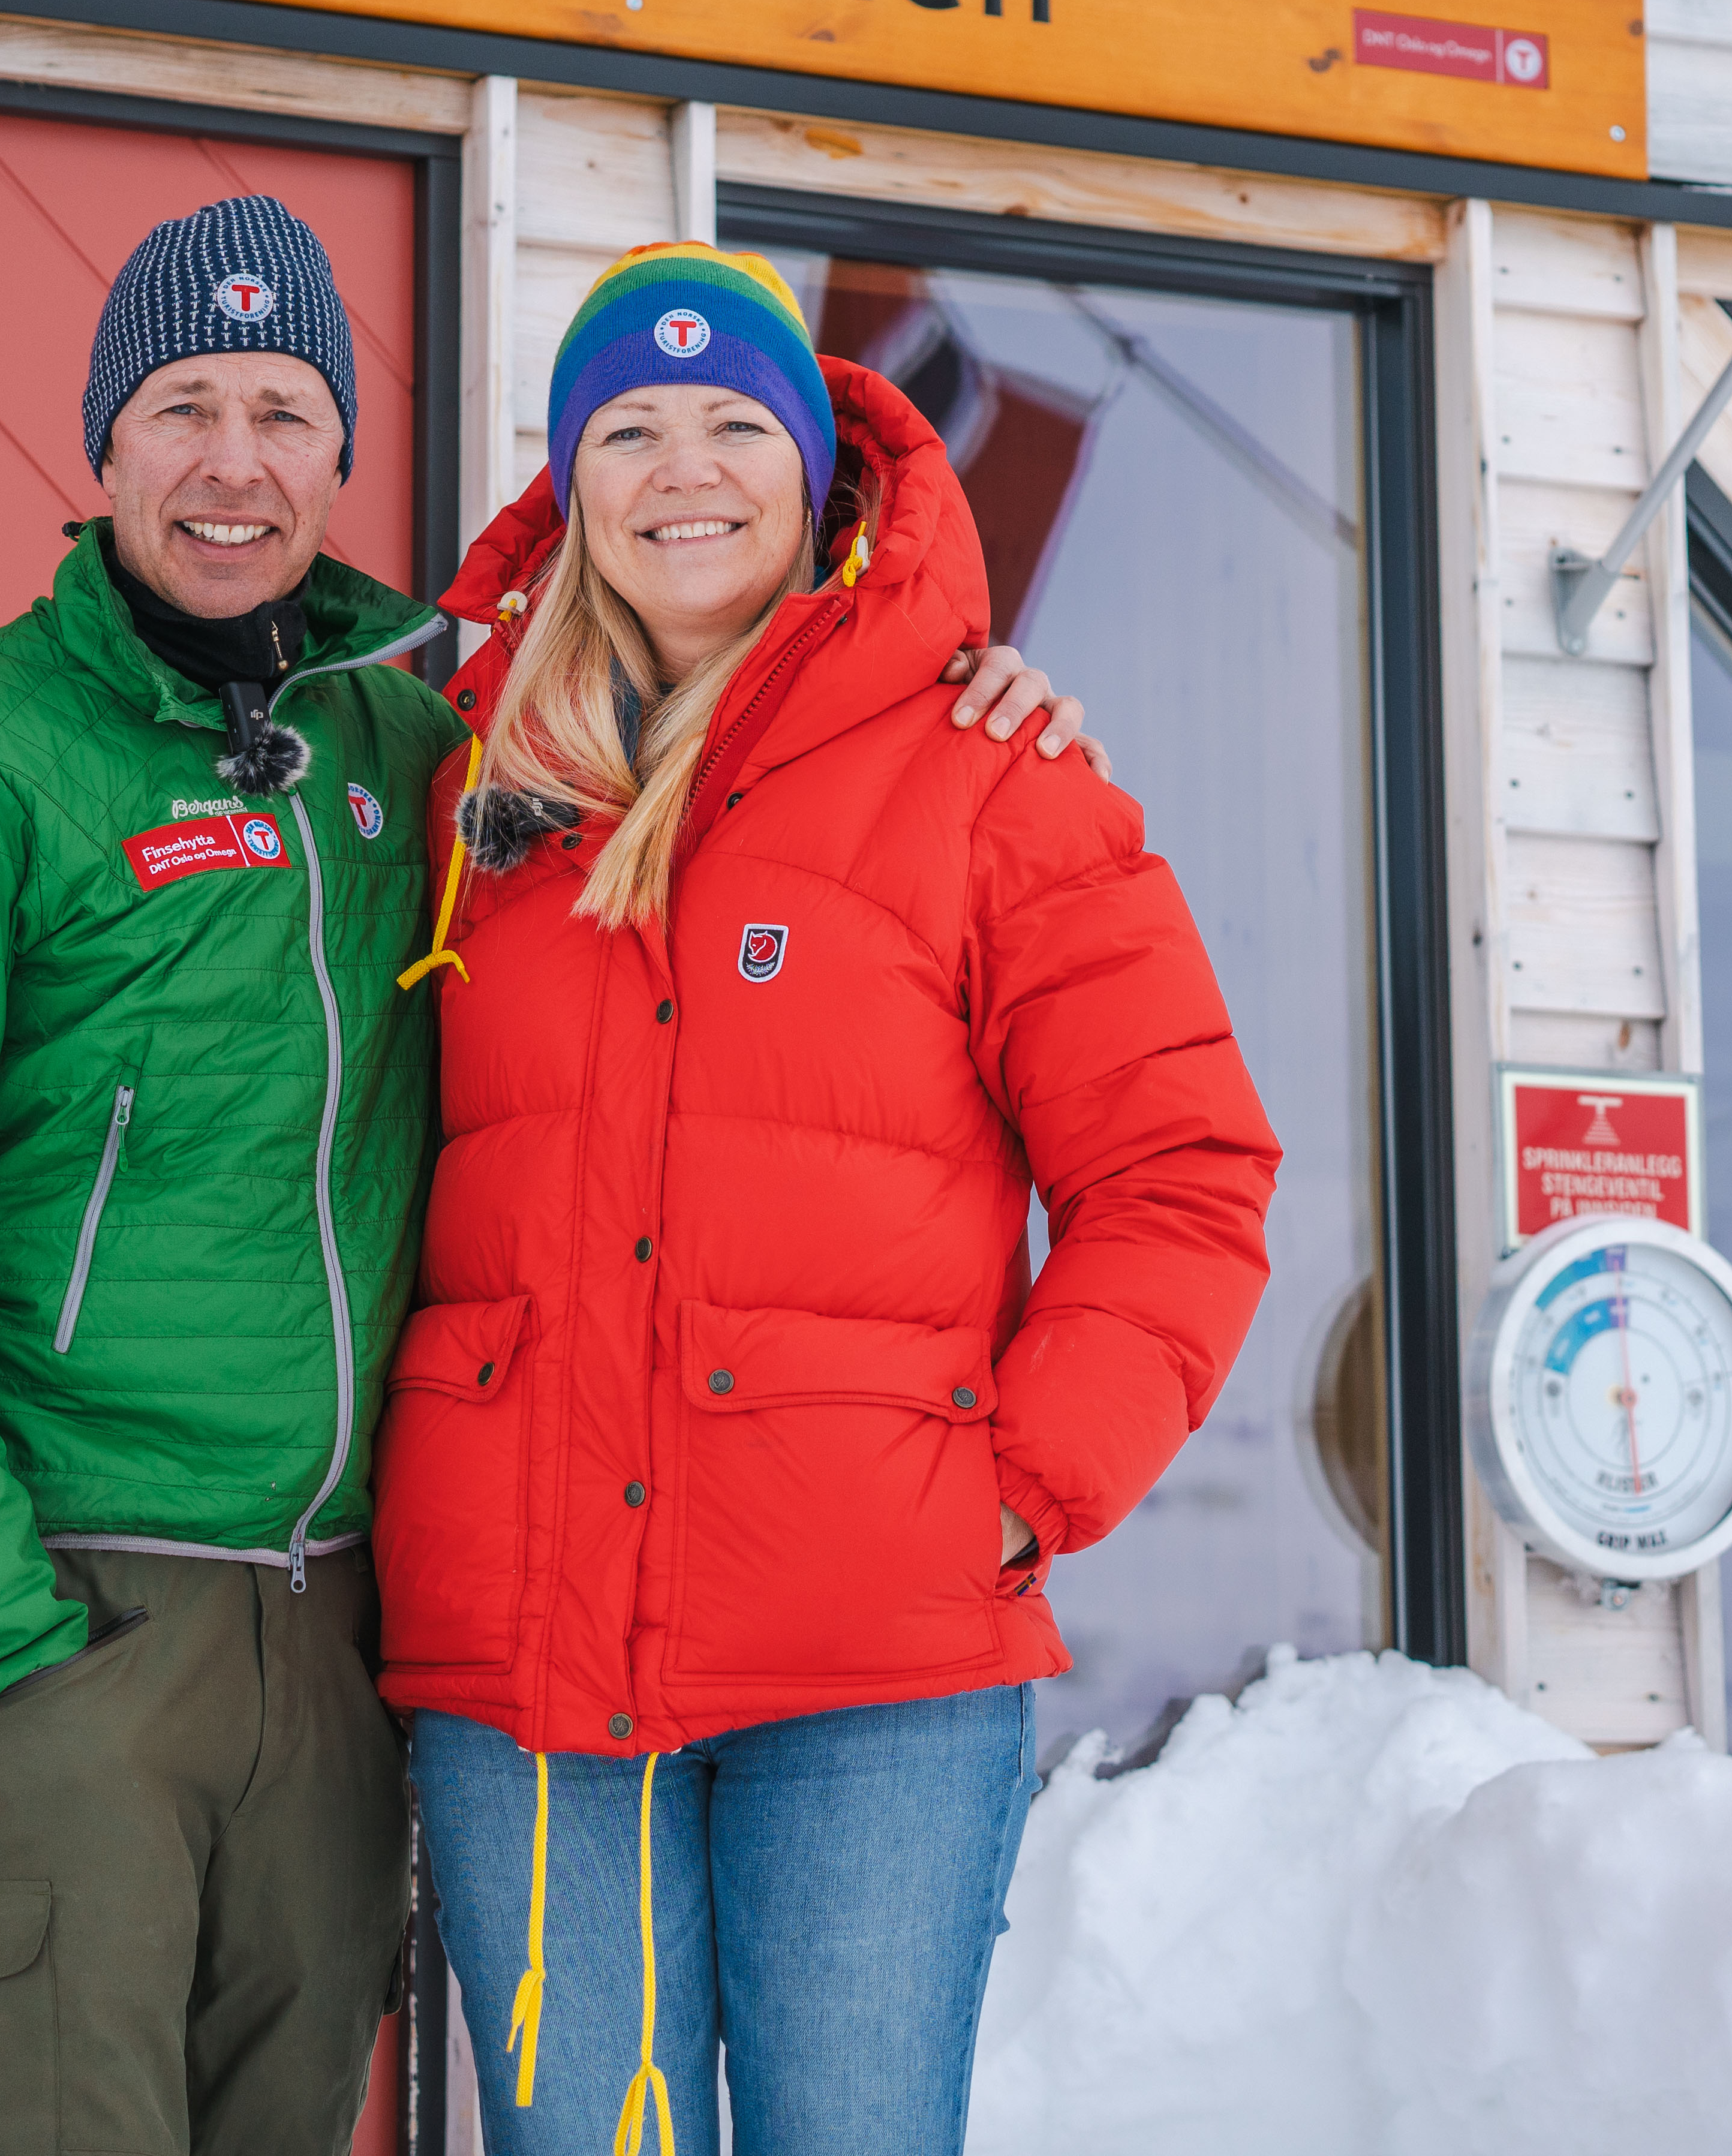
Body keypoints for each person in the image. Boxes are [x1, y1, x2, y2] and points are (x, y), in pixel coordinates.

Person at [0, 196, 1088, 2156]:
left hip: (345, 1632)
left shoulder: (435, 753)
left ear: (339, 459)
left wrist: (963, 686)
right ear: (102, 445)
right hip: (70, 1601)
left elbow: (743, 782)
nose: (233, 461)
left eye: (284, 411)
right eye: (182, 407)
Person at [378, 242, 1280, 2156]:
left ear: (812, 471)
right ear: (571, 484)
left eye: (731, 424)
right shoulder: (468, 800)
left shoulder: (986, 773)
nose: (681, 470)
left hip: (876, 1669)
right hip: (531, 1668)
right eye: (628, 430)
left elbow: (1178, 1170)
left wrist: (1016, 1488)